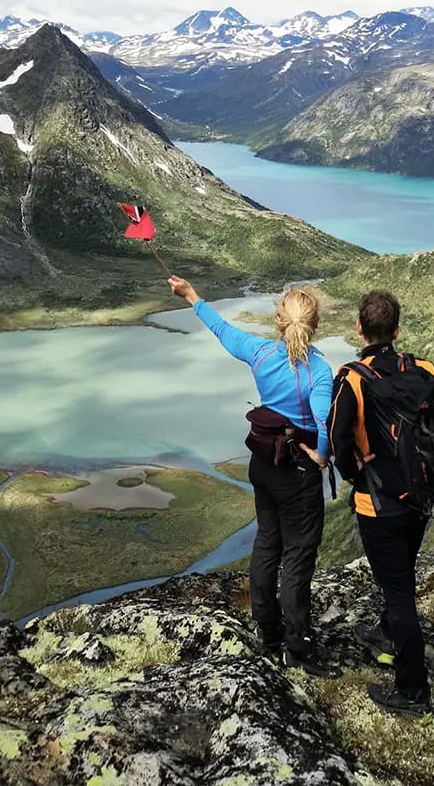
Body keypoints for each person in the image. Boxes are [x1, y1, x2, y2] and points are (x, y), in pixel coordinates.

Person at [168, 274, 336, 675]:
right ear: (314, 324)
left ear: (279, 320)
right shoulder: (319, 370)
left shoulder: (261, 354)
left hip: (263, 465)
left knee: (266, 544)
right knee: (298, 557)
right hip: (298, 472)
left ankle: (268, 631)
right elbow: (323, 421)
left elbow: (224, 332)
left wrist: (192, 296)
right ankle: (298, 646)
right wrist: (322, 455)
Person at [328, 289, 434, 716]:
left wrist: (354, 474)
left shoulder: (352, 379)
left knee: (398, 592)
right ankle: (386, 632)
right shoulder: (420, 368)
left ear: (359, 328)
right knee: (401, 577)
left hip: (377, 504)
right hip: (420, 497)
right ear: (396, 331)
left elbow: (338, 439)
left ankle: (412, 692)